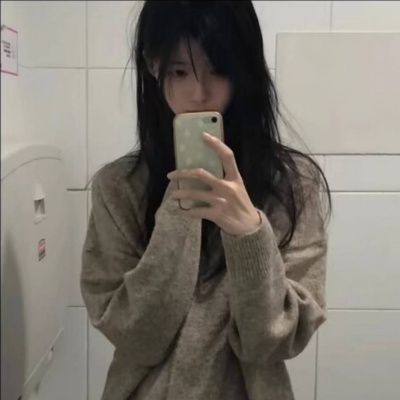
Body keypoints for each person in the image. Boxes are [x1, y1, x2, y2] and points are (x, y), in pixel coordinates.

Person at [80, 1, 332, 399]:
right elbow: (133, 335)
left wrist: (250, 235)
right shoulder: (118, 187)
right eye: (180, 72)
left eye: (218, 69)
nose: (199, 93)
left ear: (243, 70)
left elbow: (275, 341)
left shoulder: (291, 185)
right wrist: (177, 214)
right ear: (153, 67)